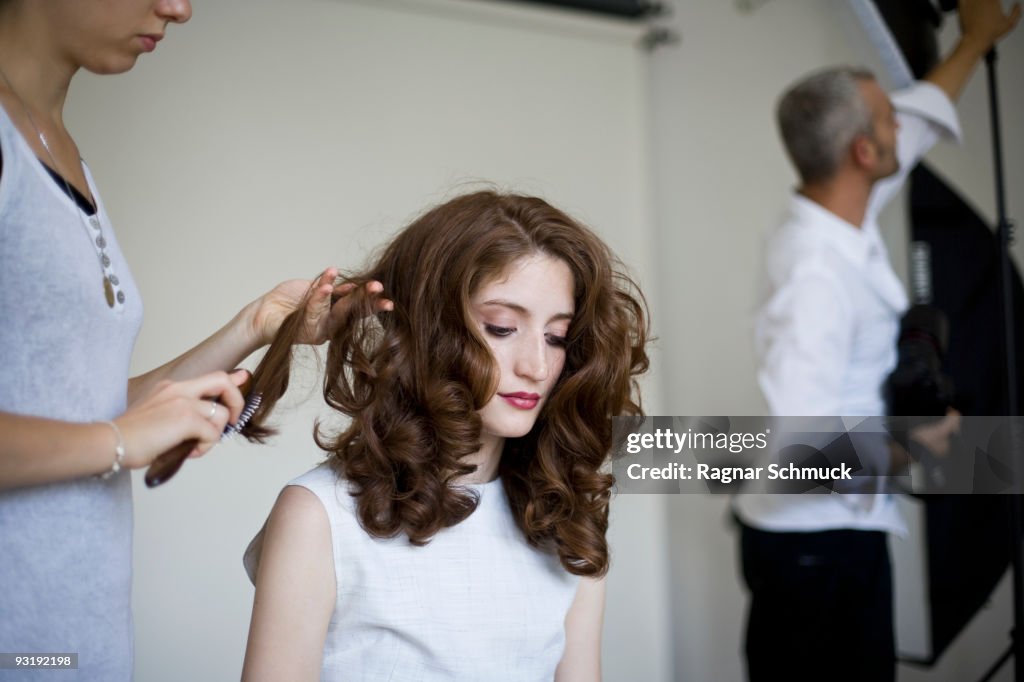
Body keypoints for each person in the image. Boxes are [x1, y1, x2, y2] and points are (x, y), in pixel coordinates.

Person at [0, 1, 387, 679]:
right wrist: (118, 443)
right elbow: (101, 432)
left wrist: (255, 327)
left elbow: (65, 404)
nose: (179, 8)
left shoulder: (59, 149)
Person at [238, 190, 650, 681]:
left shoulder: (565, 520)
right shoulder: (319, 517)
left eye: (556, 337)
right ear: (426, 330)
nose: (538, 366)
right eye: (501, 328)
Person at [732, 1, 1020, 680]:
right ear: (864, 152)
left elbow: (915, 127)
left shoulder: (839, 212)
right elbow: (797, 449)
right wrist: (915, 444)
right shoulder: (815, 276)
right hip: (815, 550)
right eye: (884, 116)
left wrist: (975, 42)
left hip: (836, 536)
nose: (901, 122)